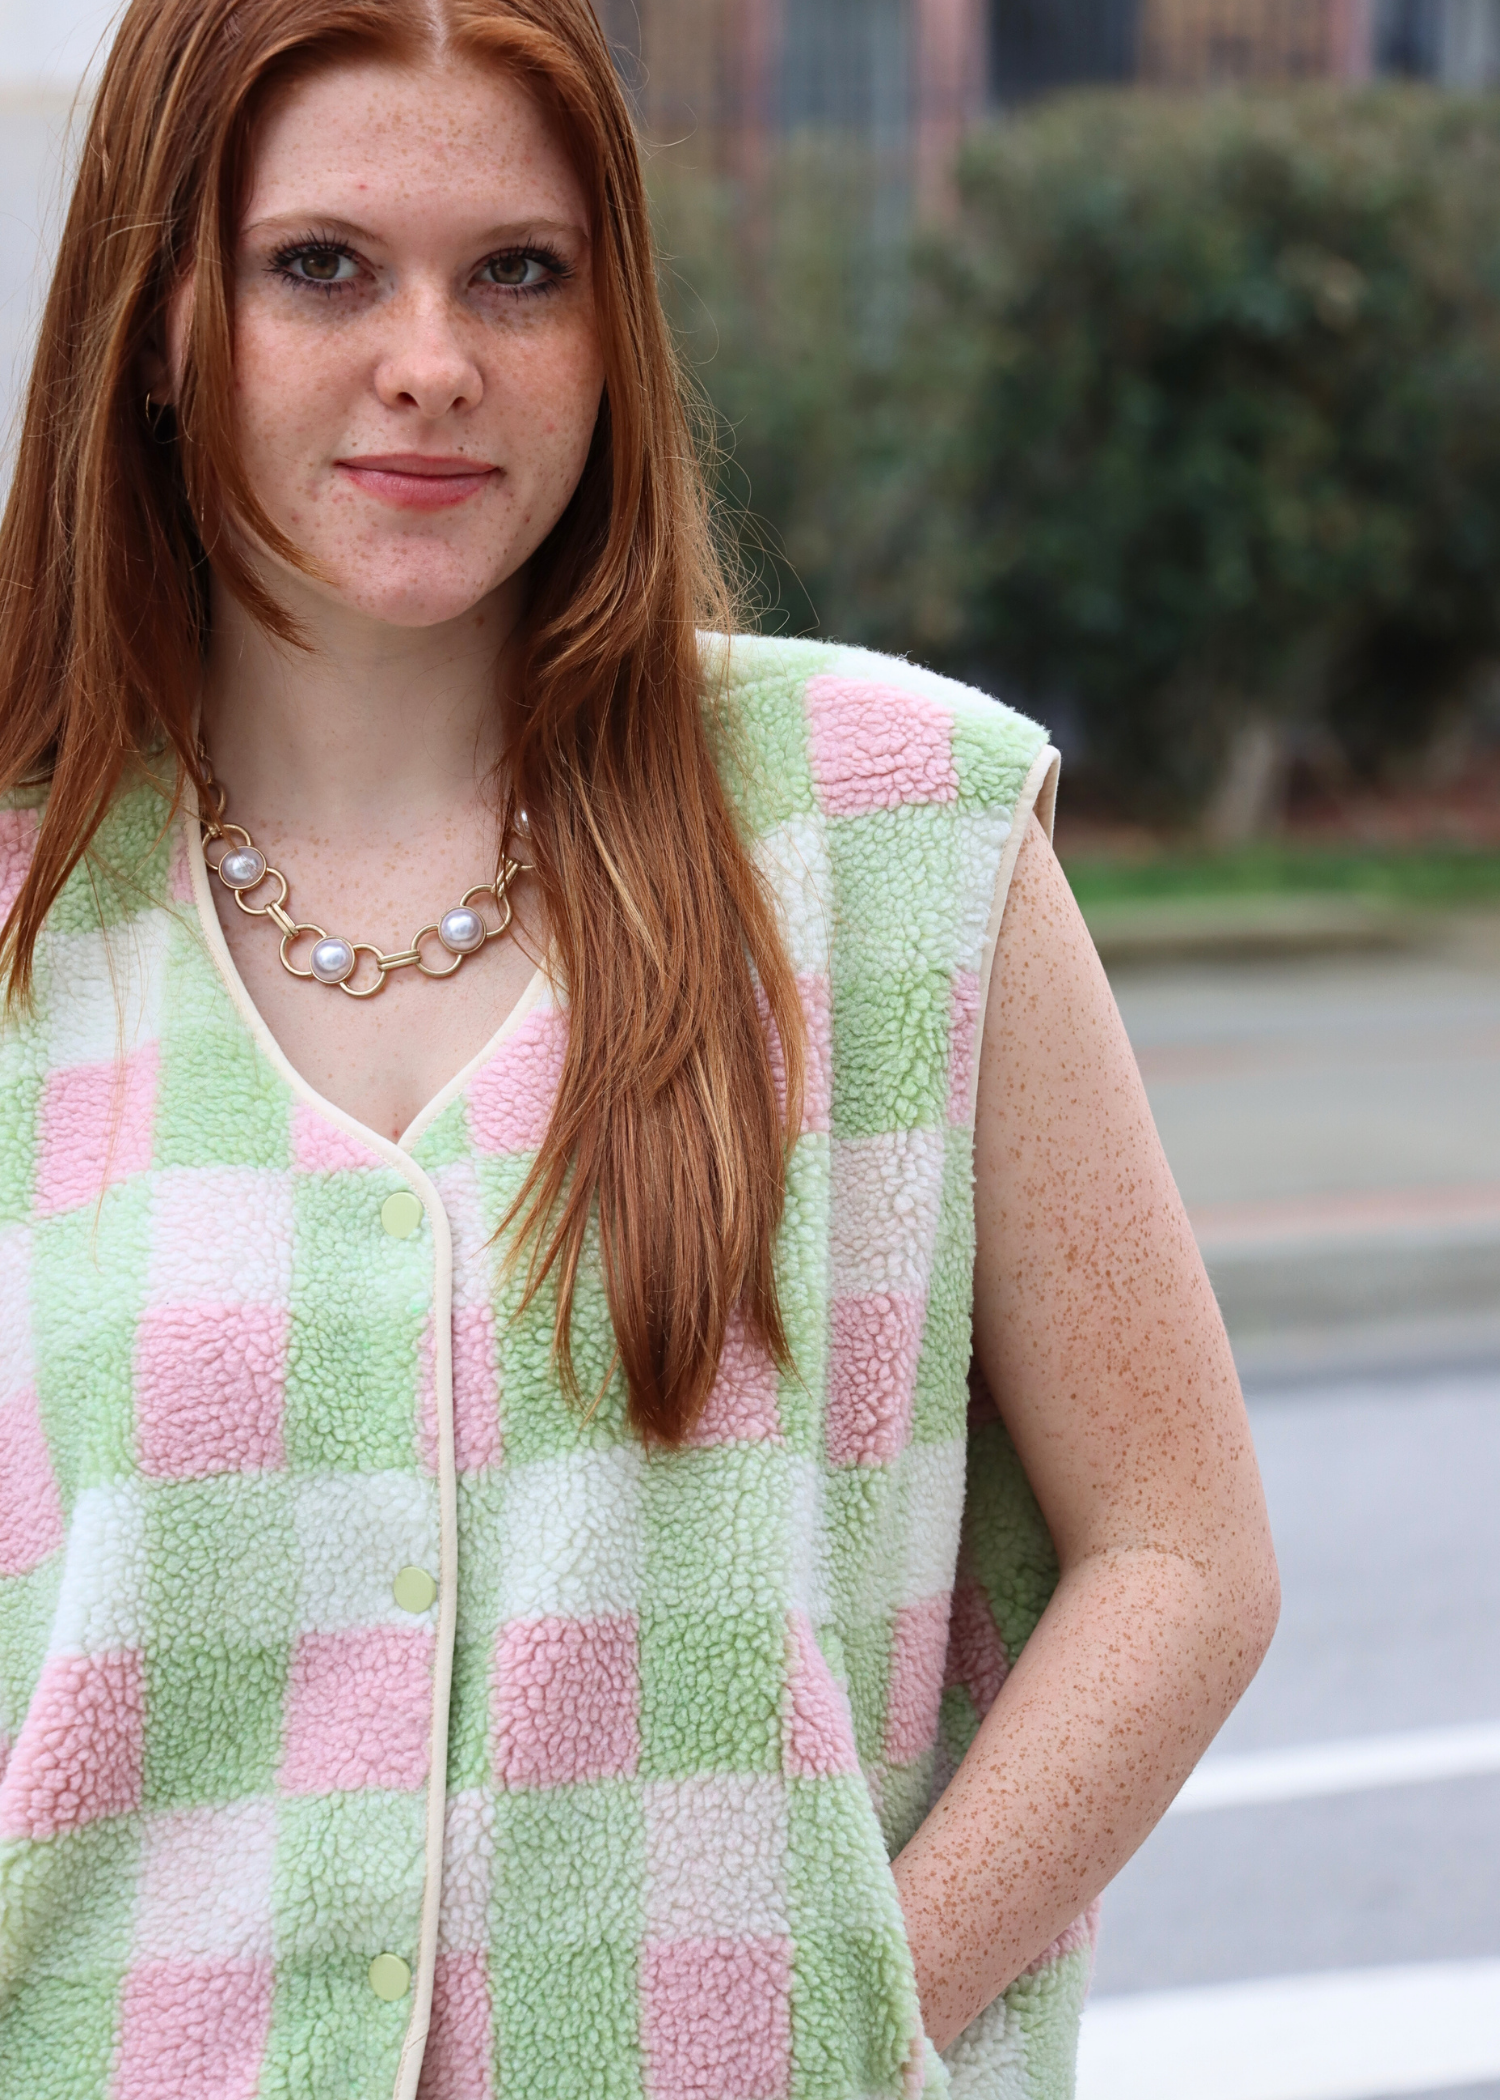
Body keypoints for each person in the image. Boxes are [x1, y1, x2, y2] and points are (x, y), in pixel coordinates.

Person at [0, 3, 1279, 2096]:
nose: (436, 360)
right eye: (323, 265)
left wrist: (860, 2025)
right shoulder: (25, 916)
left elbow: (1183, 1557)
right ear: (163, 314)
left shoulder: (894, 836)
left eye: (522, 271)